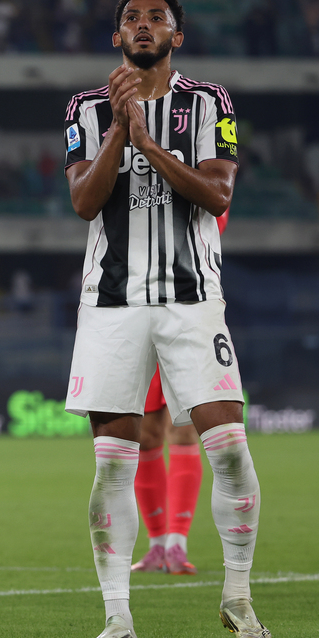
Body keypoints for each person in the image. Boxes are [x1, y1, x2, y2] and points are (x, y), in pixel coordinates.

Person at [63, 0, 269, 638]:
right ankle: (117, 617)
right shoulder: (86, 109)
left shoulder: (210, 103)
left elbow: (216, 193)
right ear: (117, 36)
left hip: (191, 299)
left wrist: (148, 145)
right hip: (110, 305)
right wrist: (121, 131)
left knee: (230, 450)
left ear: (176, 35)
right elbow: (85, 204)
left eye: (157, 17)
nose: (143, 24)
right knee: (113, 465)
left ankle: (238, 597)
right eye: (131, 17)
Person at [132, 210, 229, 576]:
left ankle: (177, 544)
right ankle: (157, 545)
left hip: (187, 310)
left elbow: (212, 214)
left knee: (184, 428)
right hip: (138, 309)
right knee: (146, 434)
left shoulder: (199, 163)